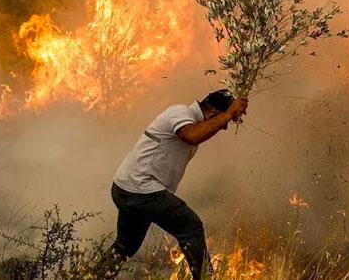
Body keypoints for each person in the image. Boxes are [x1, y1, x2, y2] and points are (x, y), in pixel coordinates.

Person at [106, 89, 248, 279]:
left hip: (126, 187)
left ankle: (91, 275)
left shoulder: (190, 119)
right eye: (221, 123)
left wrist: (229, 114)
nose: (222, 128)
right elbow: (192, 135)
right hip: (141, 190)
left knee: (125, 246)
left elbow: (202, 132)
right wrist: (229, 113)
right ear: (212, 114)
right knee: (191, 227)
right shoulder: (180, 113)